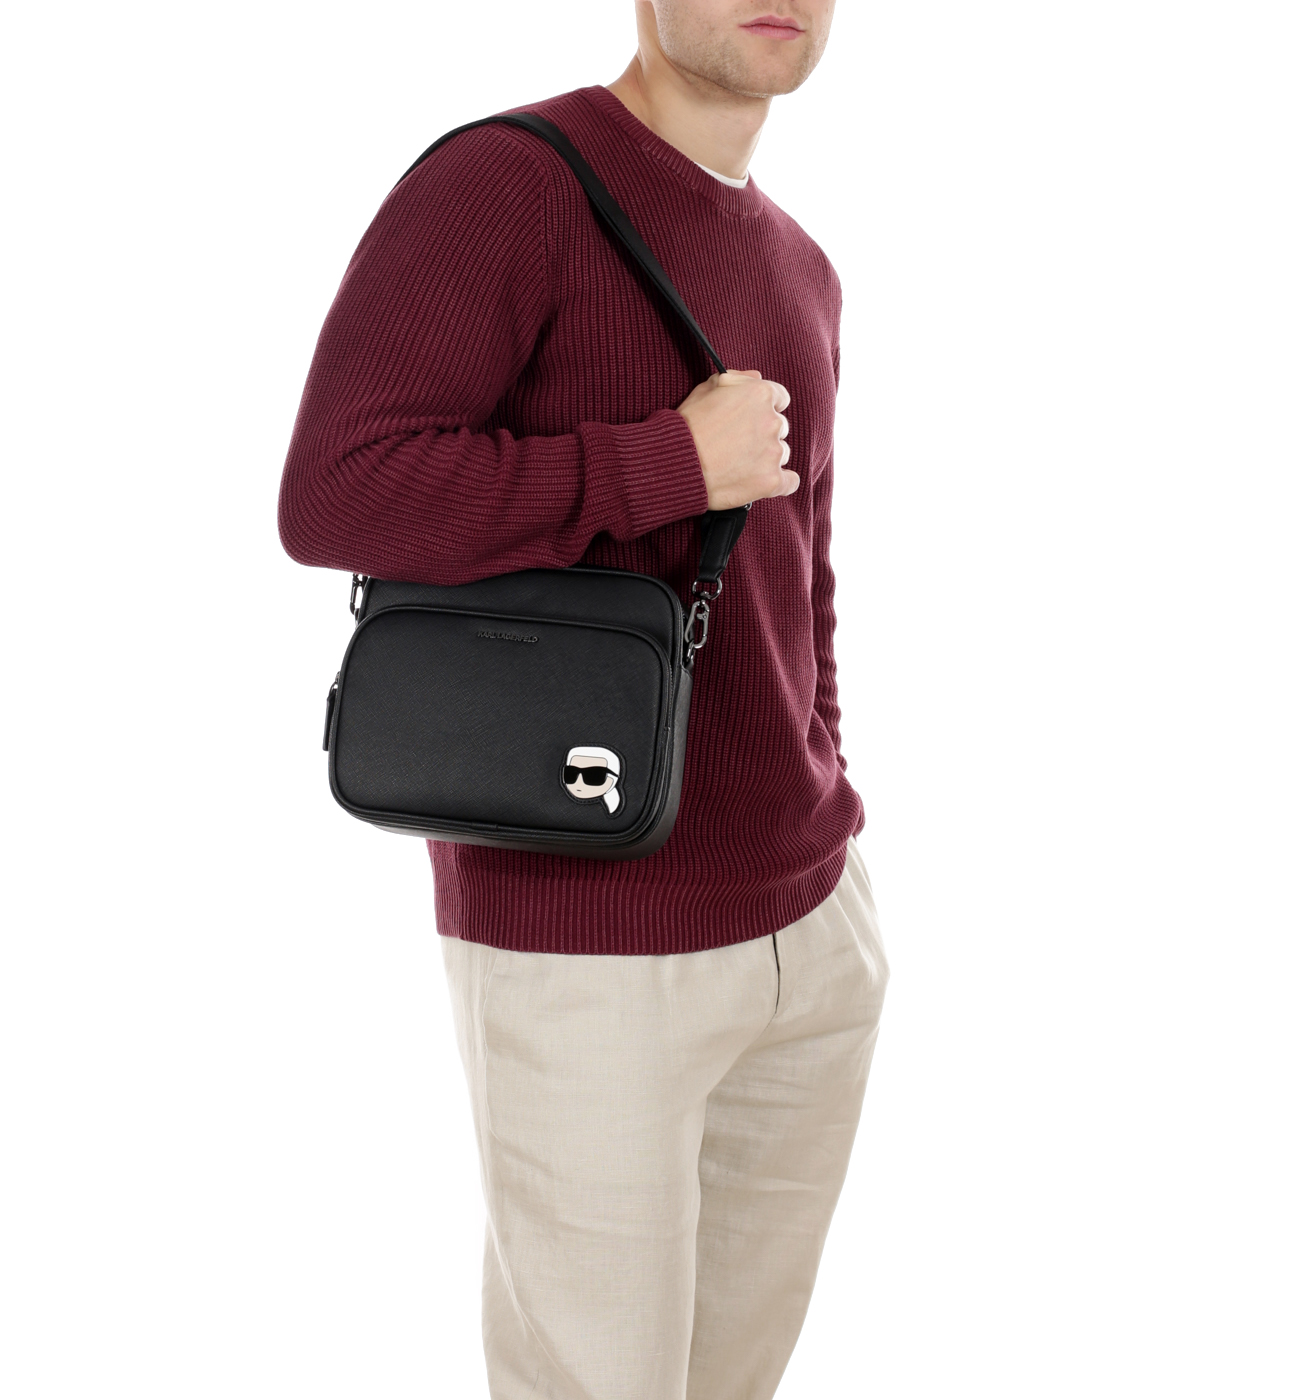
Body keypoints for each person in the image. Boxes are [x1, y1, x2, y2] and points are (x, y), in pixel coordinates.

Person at [277, 2, 889, 1395]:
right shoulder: (510, 184)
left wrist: (827, 789)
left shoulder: (802, 264)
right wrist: (665, 463)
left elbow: (802, 570)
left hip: (811, 928)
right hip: (587, 938)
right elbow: (336, 492)